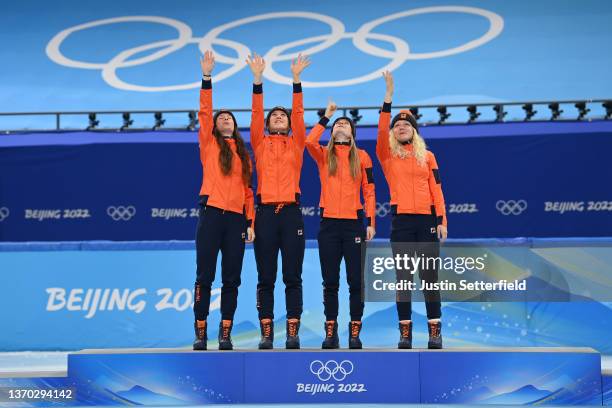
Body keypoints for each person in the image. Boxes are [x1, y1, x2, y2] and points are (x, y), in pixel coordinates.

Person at [376, 70, 448, 349]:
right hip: (402, 222)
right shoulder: (387, 155)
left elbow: (437, 190)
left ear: (415, 131)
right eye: (397, 125)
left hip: (428, 221)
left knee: (430, 277)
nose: (401, 126)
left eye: (406, 124)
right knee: (403, 278)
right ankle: (405, 333)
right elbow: (381, 130)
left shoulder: (428, 157)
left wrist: (441, 219)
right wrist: (388, 98)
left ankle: (434, 331)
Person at [246, 53, 310, 349]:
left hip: (291, 214)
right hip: (266, 214)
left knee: (292, 275)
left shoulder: (297, 142)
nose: (279, 118)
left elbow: (299, 113)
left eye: (283, 116)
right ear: (269, 125)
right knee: (265, 276)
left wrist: (296, 81)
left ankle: (293, 332)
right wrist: (258, 81)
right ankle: (267, 332)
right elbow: (256, 114)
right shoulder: (259, 142)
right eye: (275, 117)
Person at [192, 51, 255, 351]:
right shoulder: (208, 144)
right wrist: (207, 77)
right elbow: (205, 112)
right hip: (212, 215)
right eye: (221, 119)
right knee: (205, 275)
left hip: (236, 221)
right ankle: (201, 331)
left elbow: (248, 191)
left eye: (230, 118)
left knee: (232, 278)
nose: (225, 120)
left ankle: (225, 333)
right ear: (216, 127)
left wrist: (250, 222)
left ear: (235, 125)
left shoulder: (245, 155)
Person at [306, 100, 376, 349]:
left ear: (353, 133)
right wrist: (326, 118)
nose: (341, 125)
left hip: (354, 225)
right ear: (332, 132)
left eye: (345, 123)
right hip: (329, 226)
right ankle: (331, 332)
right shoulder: (325, 155)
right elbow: (308, 142)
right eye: (338, 125)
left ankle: (355, 332)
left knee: (356, 282)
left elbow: (369, 191)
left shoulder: (363, 157)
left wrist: (370, 221)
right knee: (330, 282)